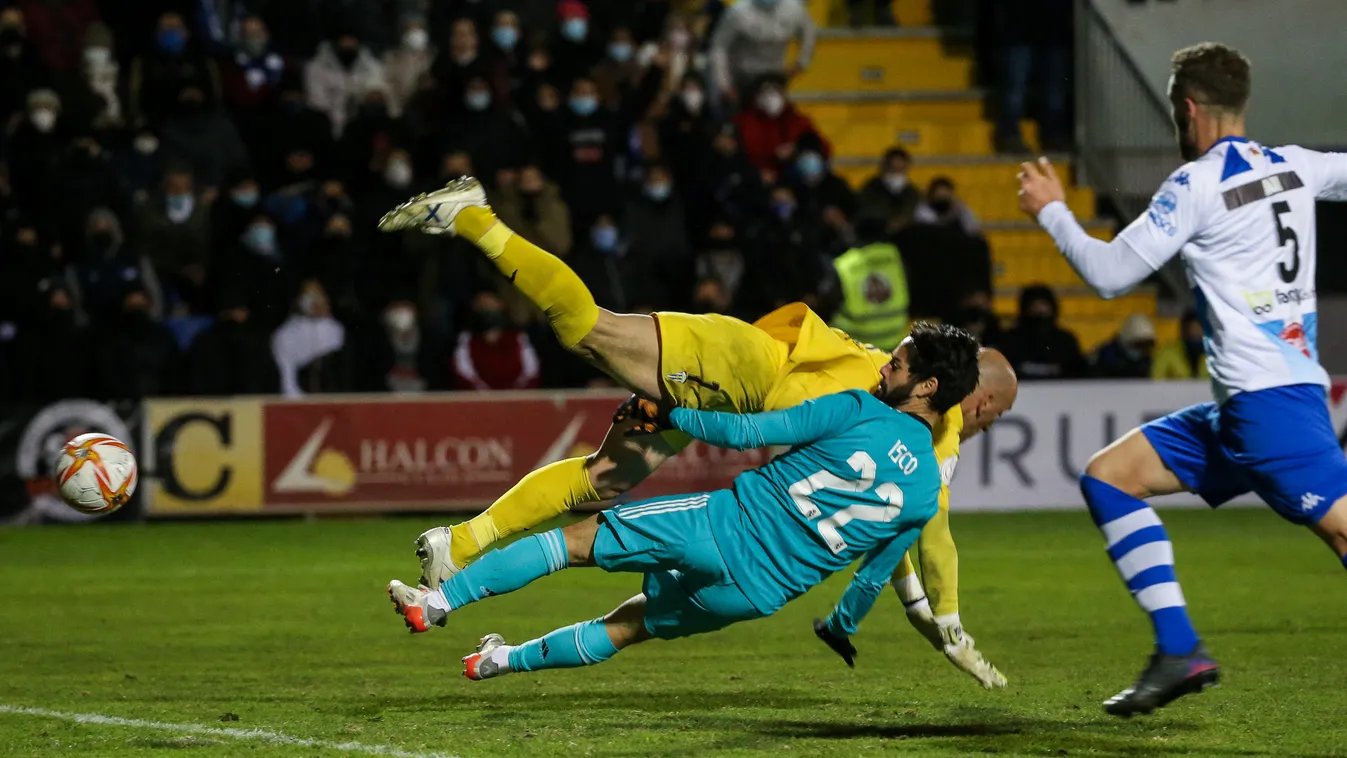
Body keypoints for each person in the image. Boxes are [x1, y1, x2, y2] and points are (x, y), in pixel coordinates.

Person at [378, 176, 1019, 682]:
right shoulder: (934, 430)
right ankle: (473, 217)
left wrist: (935, 619)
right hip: (740, 369)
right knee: (588, 330)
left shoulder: (902, 410)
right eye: (990, 407)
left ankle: (459, 547)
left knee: (603, 481)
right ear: (976, 396)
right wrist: (945, 625)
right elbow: (924, 535)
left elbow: (904, 533)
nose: (983, 420)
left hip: (737, 395)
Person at [1017, 42, 1347, 716]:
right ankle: (1177, 650)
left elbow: (1108, 276)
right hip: (1250, 409)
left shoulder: (1195, 186)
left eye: (1174, 111)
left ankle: (1178, 649)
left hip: (1269, 413)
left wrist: (1052, 210)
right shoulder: (1295, 165)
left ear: (1187, 108)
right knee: (1110, 476)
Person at [386, 323, 981, 683]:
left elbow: (746, 433)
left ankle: (437, 603)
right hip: (757, 594)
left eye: (898, 364)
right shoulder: (928, 490)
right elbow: (873, 575)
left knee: (571, 543)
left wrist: (673, 412)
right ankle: (498, 662)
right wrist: (841, 626)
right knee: (627, 627)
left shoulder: (859, 409)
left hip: (722, 527)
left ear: (926, 387)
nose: (885, 366)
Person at [1151, 309, 1208, 380]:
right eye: (1191, 328)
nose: (1194, 333)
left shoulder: (1214, 354)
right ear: (1183, 330)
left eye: (1198, 329)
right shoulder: (1167, 352)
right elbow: (1156, 379)